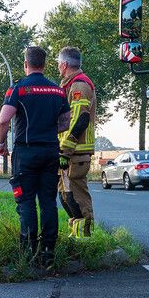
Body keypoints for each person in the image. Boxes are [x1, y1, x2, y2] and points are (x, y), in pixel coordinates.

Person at [0, 46, 71, 269]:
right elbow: (65, 122)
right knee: (48, 201)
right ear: (45, 65)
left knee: (26, 201)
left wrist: (1, 144)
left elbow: (3, 121)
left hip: (25, 153)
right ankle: (48, 251)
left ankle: (28, 251)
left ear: (25, 64)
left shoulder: (17, 89)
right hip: (50, 152)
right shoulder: (58, 91)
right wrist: (48, 131)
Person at [57, 46, 96, 237]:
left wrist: (65, 150)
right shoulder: (70, 85)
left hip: (75, 152)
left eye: (58, 64)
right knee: (66, 196)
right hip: (69, 152)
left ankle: (85, 239)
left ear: (64, 65)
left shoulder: (80, 85)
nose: (58, 67)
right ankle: (76, 236)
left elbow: (80, 119)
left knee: (76, 196)